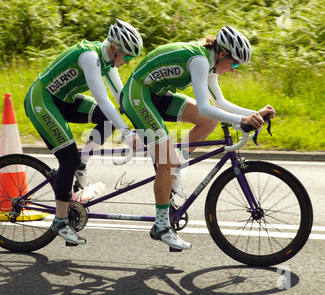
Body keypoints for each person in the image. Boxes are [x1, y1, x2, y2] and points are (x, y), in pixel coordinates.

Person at [121, 25, 276, 250]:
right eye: (233, 63)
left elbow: (218, 104)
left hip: (157, 94)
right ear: (222, 53)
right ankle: (162, 227)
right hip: (138, 96)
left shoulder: (210, 62)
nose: (233, 69)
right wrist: (240, 121)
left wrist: (252, 113)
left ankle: (175, 169)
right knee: (167, 162)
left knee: (208, 123)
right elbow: (204, 106)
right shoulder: (200, 61)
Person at [24, 19, 143, 245]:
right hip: (43, 101)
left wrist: (141, 125)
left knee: (105, 122)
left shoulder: (107, 62)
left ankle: (82, 164)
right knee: (67, 159)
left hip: (64, 100)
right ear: (114, 48)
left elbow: (121, 98)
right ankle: (60, 222)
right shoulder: (90, 57)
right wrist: (127, 133)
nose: (127, 62)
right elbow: (104, 100)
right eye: (126, 56)